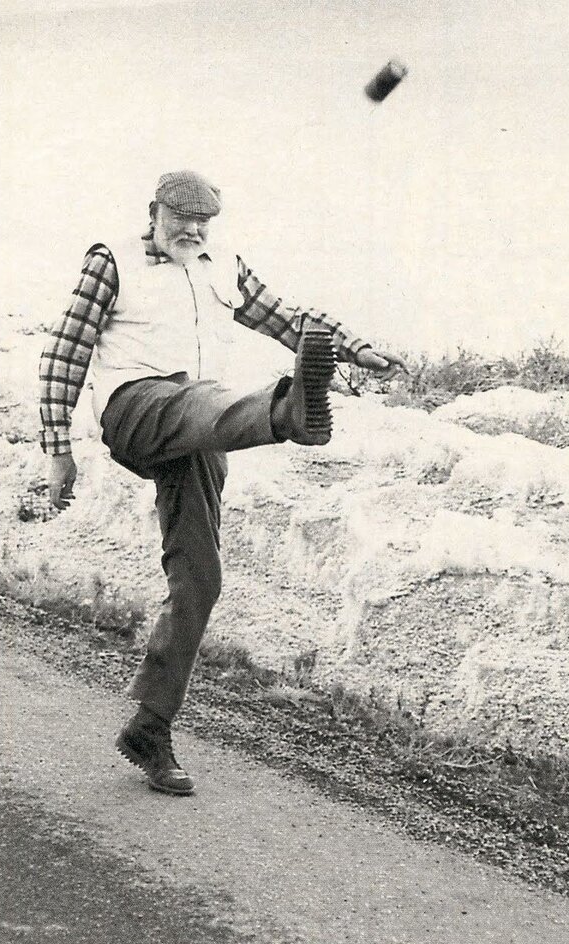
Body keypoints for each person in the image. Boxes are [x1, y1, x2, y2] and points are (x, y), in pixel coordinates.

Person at [39, 169, 406, 795]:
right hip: (137, 407)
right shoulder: (113, 262)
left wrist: (355, 347)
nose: (192, 229)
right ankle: (287, 412)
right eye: (181, 218)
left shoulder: (221, 266)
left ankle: (150, 726)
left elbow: (288, 318)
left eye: (203, 220)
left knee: (200, 578)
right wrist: (57, 450)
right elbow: (66, 353)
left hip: (203, 429)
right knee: (198, 399)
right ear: (153, 211)